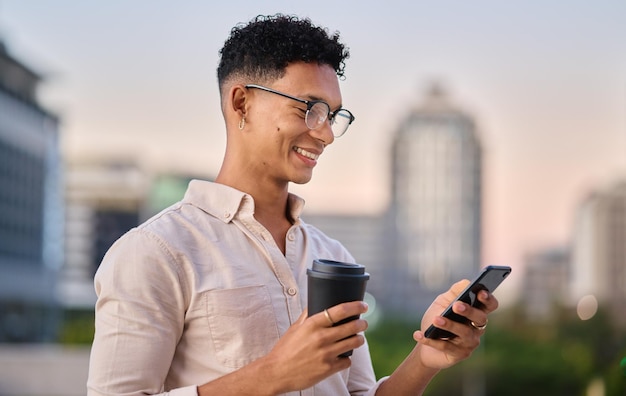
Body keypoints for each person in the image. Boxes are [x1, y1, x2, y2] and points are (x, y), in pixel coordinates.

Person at [87, 14, 499, 396]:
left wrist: (425, 359)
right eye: (310, 109)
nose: (326, 135)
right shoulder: (155, 253)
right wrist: (272, 374)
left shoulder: (331, 256)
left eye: (333, 115)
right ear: (241, 103)